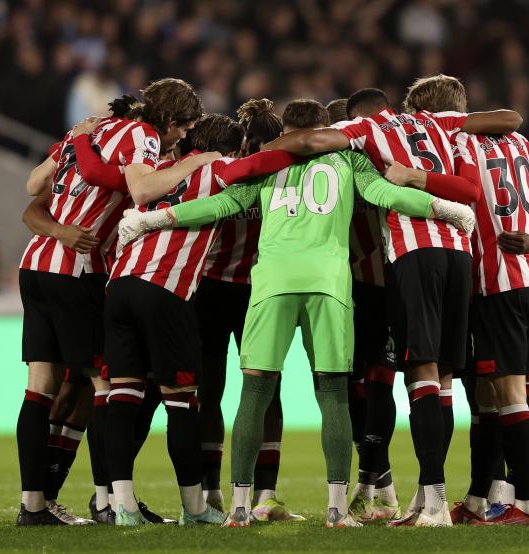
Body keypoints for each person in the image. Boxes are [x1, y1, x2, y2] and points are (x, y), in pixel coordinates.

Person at [116, 99, 475, 528]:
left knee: (254, 392)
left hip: (272, 284)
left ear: (287, 129)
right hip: (328, 283)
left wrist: (153, 220)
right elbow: (389, 195)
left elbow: (221, 205)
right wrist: (446, 209)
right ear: (326, 128)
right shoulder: (350, 161)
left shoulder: (268, 162)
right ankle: (338, 511)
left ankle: (241, 508)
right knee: (333, 394)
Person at [260, 77, 521, 527]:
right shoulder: (441, 122)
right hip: (459, 250)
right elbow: (509, 118)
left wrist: (275, 145)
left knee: (420, 373)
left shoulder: (371, 129)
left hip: (411, 253)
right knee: (441, 378)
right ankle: (427, 495)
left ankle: (433, 503)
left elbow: (316, 139)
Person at [15, 79, 211, 526]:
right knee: (110, 385)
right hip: (79, 270)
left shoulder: (91, 129)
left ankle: (34, 505)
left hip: (36, 267)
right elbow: (139, 190)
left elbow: (33, 185)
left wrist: (81, 143)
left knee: (42, 388)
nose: (182, 138)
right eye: (183, 129)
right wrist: (196, 161)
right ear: (171, 119)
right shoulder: (142, 137)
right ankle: (108, 501)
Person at [102, 113, 299, 526]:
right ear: (229, 148)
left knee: (123, 399)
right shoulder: (220, 170)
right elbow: (264, 163)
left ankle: (120, 505)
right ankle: (195, 507)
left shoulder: (155, 170)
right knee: (182, 402)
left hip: (119, 286)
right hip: (167, 289)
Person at [402, 74, 529, 525]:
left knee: (509, 395)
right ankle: (490, 495)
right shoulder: (520, 143)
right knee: (504, 392)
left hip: (492, 280)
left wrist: (413, 177)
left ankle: (527, 501)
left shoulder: (460, 144)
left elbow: (467, 192)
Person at [194, 99, 301, 521]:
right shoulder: (269, 174)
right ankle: (259, 496)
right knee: (261, 391)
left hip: (220, 290)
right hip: (248, 291)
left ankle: (215, 495)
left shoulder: (225, 172)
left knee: (217, 391)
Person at [337, 89, 401, 523]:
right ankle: (383, 487)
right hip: (365, 284)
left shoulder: (377, 147)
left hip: (380, 284)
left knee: (373, 382)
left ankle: (372, 482)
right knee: (359, 385)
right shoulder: (385, 148)